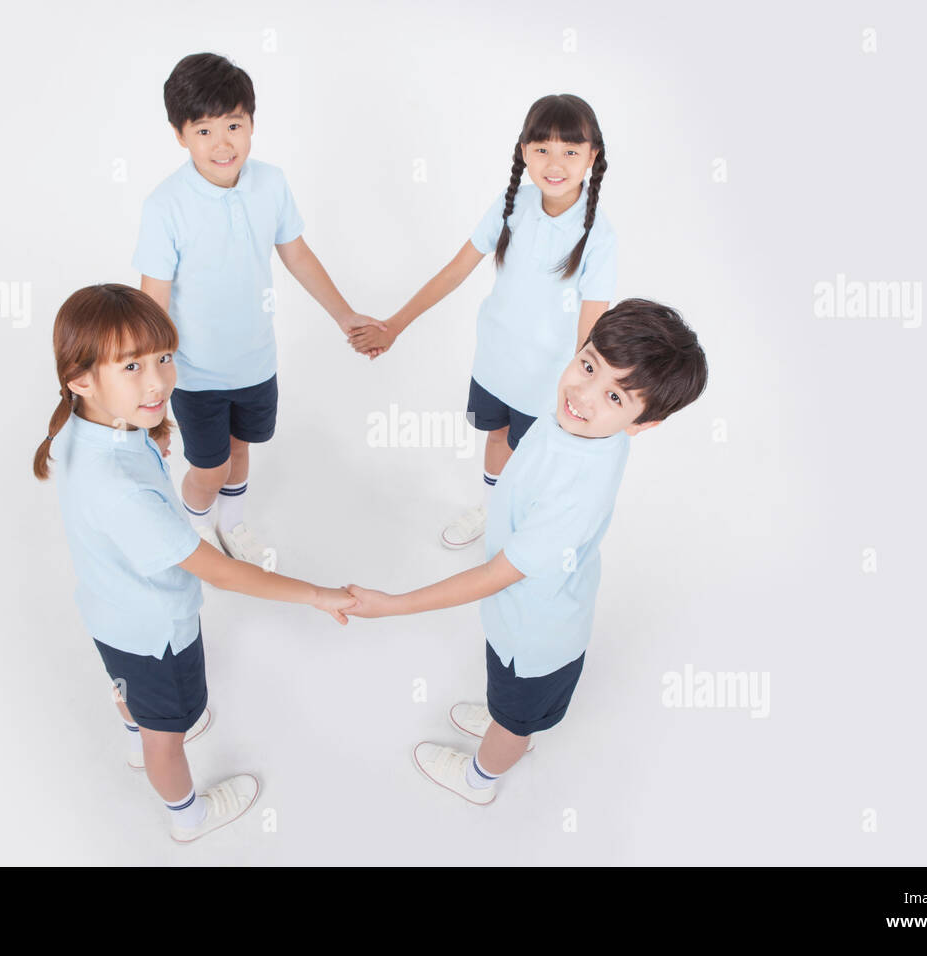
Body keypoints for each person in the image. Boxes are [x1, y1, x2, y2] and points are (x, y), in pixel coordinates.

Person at [346, 299, 708, 805]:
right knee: (508, 695)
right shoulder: (585, 426)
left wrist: (393, 605)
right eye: (587, 365)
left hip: (537, 635)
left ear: (643, 424)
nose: (582, 394)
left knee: (516, 717)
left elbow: (499, 573)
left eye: (614, 396)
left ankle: (482, 776)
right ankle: (507, 717)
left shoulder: (576, 491)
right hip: (524, 616)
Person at [34, 283, 357, 841]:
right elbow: (222, 571)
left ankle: (139, 730)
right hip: (157, 633)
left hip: (107, 613)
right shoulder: (121, 492)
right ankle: (187, 815)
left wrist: (146, 437)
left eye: (162, 357)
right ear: (81, 379)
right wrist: (316, 594)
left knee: (130, 692)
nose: (157, 379)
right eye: (131, 366)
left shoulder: (82, 427)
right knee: (170, 736)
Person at [133, 52, 386, 566]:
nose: (222, 143)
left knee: (242, 451)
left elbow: (296, 253)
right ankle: (196, 527)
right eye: (203, 130)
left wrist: (344, 315)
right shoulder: (165, 206)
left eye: (234, 125)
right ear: (180, 136)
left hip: (254, 362)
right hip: (196, 372)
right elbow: (151, 305)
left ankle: (232, 522)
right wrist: (149, 387)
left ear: (251, 123)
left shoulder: (270, 183)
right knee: (209, 466)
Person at [351, 94, 617, 550]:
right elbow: (456, 270)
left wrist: (586, 393)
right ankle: (494, 515)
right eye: (541, 149)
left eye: (571, 151)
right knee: (497, 439)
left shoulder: (599, 236)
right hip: (496, 361)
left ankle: (522, 530)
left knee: (536, 459)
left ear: (592, 156)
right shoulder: (512, 202)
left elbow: (591, 330)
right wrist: (394, 325)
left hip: (550, 380)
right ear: (523, 151)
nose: (555, 163)